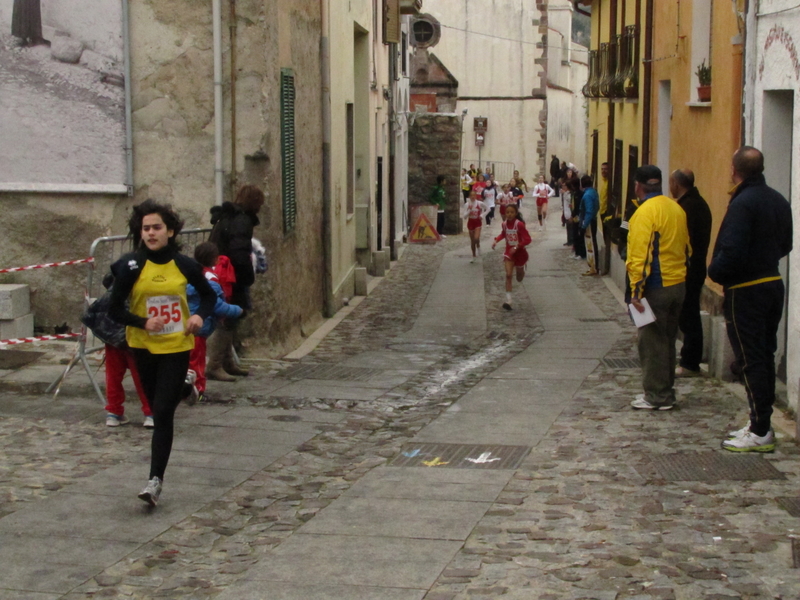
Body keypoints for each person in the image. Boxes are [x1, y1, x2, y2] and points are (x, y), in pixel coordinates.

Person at [109, 199, 216, 507]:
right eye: (146, 228)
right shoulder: (131, 266)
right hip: (142, 346)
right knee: (159, 400)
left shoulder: (184, 265)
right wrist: (144, 321)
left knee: (161, 414)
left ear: (170, 231)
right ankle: (186, 385)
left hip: (176, 346)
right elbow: (114, 310)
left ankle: (154, 481)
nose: (151, 233)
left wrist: (198, 316)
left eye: (157, 227)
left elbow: (208, 298)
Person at [709, 147, 793, 452]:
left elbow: (731, 251)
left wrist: (715, 271)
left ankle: (760, 429)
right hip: (772, 283)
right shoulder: (778, 199)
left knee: (749, 359)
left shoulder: (743, 203)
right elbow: (786, 243)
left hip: (746, 289)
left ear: (735, 169)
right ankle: (761, 422)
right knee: (764, 355)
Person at [627, 166, 690, 411]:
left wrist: (636, 291)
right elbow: (687, 247)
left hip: (655, 286)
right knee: (668, 340)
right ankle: (666, 391)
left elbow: (640, 255)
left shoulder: (644, 213)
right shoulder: (676, 208)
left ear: (638, 186)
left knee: (651, 342)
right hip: (678, 283)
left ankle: (656, 395)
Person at [208, 185, 266, 381]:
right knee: (230, 317)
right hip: (231, 275)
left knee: (231, 316)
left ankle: (227, 362)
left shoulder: (226, 217)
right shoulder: (242, 220)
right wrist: (247, 275)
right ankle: (215, 364)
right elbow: (239, 251)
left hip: (222, 271)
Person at [185, 242, 245, 404]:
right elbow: (217, 305)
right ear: (214, 258)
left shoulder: (189, 275)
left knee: (188, 360)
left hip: (187, 325)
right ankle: (199, 391)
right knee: (197, 363)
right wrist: (237, 310)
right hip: (201, 326)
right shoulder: (210, 279)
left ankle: (186, 389)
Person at [669, 169, 712, 378]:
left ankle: (690, 361)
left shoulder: (688, 207)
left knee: (689, 315)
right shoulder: (697, 203)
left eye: (671, 182)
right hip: (695, 266)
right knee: (689, 313)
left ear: (677, 184)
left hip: (689, 268)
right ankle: (690, 357)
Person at [491, 204, 531, 311]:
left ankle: (522, 269)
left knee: (519, 278)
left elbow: (527, 239)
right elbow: (503, 234)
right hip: (509, 253)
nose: (509, 214)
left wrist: (517, 246)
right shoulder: (504, 224)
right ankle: (508, 300)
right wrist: (496, 240)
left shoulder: (520, 225)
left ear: (516, 213)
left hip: (520, 253)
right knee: (508, 275)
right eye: (507, 212)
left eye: (512, 212)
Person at [579, 175, 600, 276]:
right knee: (592, 243)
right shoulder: (593, 192)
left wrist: (584, 226)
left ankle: (593, 267)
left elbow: (589, 211)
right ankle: (593, 267)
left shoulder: (587, 195)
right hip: (593, 220)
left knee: (590, 244)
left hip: (589, 222)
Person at [462, 189, 489, 262]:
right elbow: (464, 217)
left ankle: (478, 246)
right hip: (470, 223)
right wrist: (469, 211)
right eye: (471, 195)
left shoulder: (479, 203)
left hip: (477, 222)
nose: (472, 197)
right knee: (472, 240)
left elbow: (488, 209)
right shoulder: (467, 204)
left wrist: (482, 215)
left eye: (474, 195)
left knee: (476, 238)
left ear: (476, 196)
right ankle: (473, 255)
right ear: (469, 196)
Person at [598, 162, 613, 275]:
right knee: (605, 237)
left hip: (609, 214)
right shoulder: (603, 182)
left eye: (606, 169)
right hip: (603, 213)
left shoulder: (610, 183)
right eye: (602, 169)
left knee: (609, 238)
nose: (603, 171)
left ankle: (607, 266)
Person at [561, 182, 573, 247]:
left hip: (569, 213)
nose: (563, 187)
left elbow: (569, 200)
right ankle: (569, 240)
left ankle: (571, 241)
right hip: (566, 213)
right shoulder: (564, 193)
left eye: (564, 186)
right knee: (568, 228)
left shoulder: (569, 193)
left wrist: (565, 194)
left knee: (570, 228)